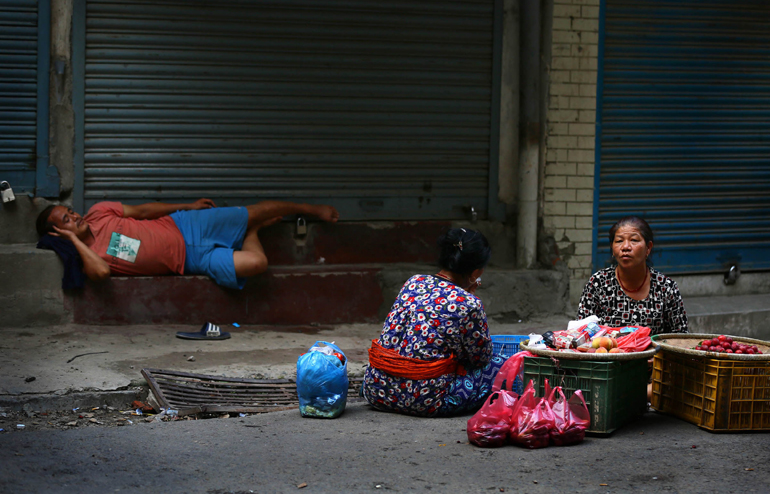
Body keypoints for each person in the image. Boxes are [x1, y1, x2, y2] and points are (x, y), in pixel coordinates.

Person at [35, 198, 339, 289]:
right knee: (257, 264)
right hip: (192, 261)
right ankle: (251, 232)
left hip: (186, 225)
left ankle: (310, 208)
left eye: (70, 212)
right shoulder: (90, 256)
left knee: (256, 210)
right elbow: (100, 274)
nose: (74, 217)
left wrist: (188, 207)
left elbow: (143, 211)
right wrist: (75, 240)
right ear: (56, 234)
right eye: (66, 221)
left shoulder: (100, 211)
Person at [363, 228, 504, 417]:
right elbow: (480, 358)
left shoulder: (413, 282)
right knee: (503, 365)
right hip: (425, 399)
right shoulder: (469, 303)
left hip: (377, 390)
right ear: (476, 272)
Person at [576, 215, 688, 335]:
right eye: (619, 241)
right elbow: (581, 333)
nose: (625, 247)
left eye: (634, 240)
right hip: (607, 353)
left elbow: (680, 337)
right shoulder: (598, 283)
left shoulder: (666, 287)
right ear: (612, 249)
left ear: (648, 248)